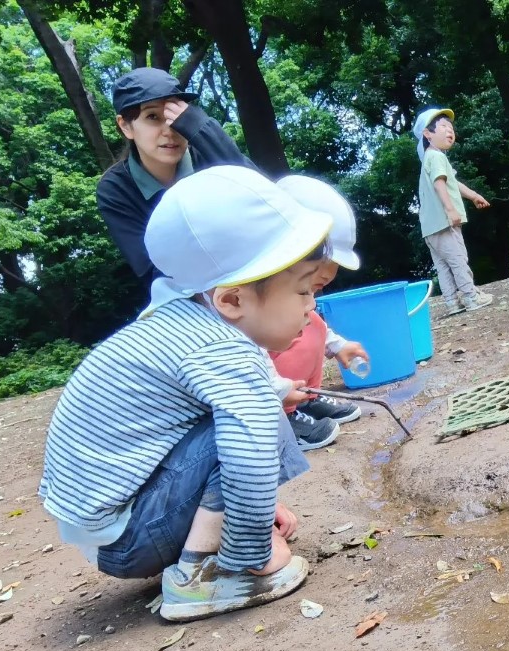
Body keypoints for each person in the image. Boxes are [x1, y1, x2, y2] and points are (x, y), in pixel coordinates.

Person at [40, 165, 330, 621]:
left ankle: (220, 538)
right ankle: (209, 575)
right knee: (253, 419)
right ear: (232, 301)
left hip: (111, 522)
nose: (312, 307)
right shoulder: (221, 347)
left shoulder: (180, 321)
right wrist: (250, 548)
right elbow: (244, 442)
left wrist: (258, 506)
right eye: (302, 291)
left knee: (253, 408)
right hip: (129, 535)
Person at [96, 67, 253, 288]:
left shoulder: (211, 154)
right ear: (125, 126)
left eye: (175, 116)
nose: (170, 130)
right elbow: (151, 267)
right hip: (189, 295)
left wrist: (204, 129)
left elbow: (268, 200)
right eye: (152, 117)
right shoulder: (115, 189)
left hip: (256, 268)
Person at [268, 174, 372, 451]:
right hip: (257, 396)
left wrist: (338, 345)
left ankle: (306, 398)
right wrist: (278, 390)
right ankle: (282, 419)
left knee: (313, 322)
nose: (311, 300)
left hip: (284, 386)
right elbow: (246, 357)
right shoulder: (246, 309)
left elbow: (318, 327)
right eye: (305, 290)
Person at [414, 106, 494, 316]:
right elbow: (441, 183)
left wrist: (474, 195)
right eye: (443, 127)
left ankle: (451, 302)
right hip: (444, 221)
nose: (450, 131)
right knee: (458, 259)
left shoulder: (430, 159)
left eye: (451, 128)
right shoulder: (437, 157)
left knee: (443, 265)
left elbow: (453, 182)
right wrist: (451, 210)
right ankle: (471, 296)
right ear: (427, 134)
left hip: (430, 227)